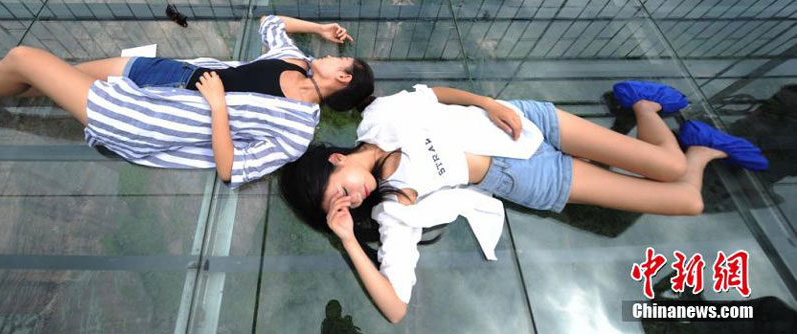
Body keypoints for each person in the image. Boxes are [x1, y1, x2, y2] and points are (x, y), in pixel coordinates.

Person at [278, 82, 768, 323]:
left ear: (338, 158)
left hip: (525, 123)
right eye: (340, 206)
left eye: (340, 188)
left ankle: (642, 104)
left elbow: (436, 94)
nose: (353, 197)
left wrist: (488, 104)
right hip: (531, 176)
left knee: (666, 166)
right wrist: (347, 239)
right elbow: (396, 308)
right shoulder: (393, 207)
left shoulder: (379, 117)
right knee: (687, 198)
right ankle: (695, 144)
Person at [0, 15, 374, 186]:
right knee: (36, 76)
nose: (335, 58)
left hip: (147, 117)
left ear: (340, 89)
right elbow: (271, 22)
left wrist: (217, 108)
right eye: (341, 56)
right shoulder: (294, 60)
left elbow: (234, 171)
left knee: (26, 59)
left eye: (343, 67)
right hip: (161, 73)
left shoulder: (296, 130)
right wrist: (317, 28)